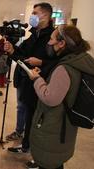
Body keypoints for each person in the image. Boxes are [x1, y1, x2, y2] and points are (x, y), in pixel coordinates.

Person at [27, 25, 94, 169]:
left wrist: (36, 79)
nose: (49, 43)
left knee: (50, 164)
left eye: (51, 39)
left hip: (54, 126)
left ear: (61, 43)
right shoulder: (80, 61)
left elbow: (50, 98)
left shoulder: (64, 68)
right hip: (66, 125)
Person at [4, 3, 60, 167]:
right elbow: (24, 58)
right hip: (29, 82)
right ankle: (26, 145)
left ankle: (39, 157)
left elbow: (60, 62)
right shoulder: (33, 35)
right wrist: (12, 51)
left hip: (45, 84)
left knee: (39, 122)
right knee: (29, 117)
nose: (32, 16)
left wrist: (42, 62)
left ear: (46, 16)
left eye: (35, 13)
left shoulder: (53, 36)